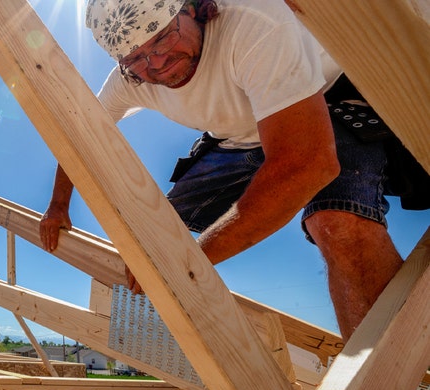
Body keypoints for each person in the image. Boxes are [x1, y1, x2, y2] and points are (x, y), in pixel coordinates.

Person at [40, 0, 417, 341]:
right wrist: (58, 204)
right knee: (159, 237)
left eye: (162, 39)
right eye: (136, 58)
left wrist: (188, 264)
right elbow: (79, 133)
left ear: (193, 8)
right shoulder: (130, 78)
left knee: (337, 221)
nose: (155, 63)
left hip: (324, 99)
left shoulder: (252, 23)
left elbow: (307, 165)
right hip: (236, 140)